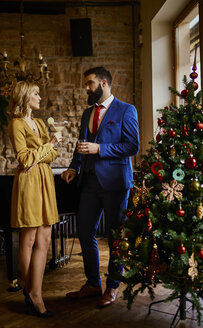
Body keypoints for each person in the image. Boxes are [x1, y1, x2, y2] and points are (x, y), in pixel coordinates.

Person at [61, 67, 140, 307]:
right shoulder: (87, 113)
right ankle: (93, 283)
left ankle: (113, 286)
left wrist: (100, 150)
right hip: (89, 182)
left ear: (103, 83)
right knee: (85, 232)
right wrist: (74, 167)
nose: (86, 88)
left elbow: (132, 146)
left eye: (90, 83)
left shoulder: (126, 110)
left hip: (116, 183)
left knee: (115, 236)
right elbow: (80, 144)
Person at [8, 81, 62, 317]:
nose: (40, 97)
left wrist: (43, 152)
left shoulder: (40, 123)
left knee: (46, 237)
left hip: (44, 180)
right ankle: (33, 293)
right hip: (28, 183)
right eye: (36, 94)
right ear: (25, 97)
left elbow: (52, 157)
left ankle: (34, 291)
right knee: (28, 238)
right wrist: (47, 146)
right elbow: (23, 158)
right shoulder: (16, 124)